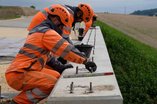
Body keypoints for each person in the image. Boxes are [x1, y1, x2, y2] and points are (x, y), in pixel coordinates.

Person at [6, 4, 97, 104]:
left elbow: (47, 56)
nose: (62, 29)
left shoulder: (40, 31)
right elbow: (66, 49)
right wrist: (85, 60)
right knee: (52, 84)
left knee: (57, 75)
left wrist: (60, 67)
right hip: (19, 74)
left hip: (25, 70)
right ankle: (18, 102)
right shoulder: (47, 33)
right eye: (61, 26)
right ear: (55, 20)